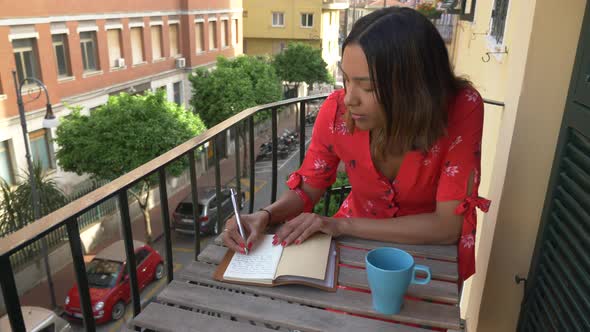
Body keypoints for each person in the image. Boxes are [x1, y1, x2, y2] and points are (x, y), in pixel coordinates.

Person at [223, 7, 490, 286]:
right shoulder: (336, 111)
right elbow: (308, 188)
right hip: (350, 250)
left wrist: (339, 225)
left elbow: (447, 226)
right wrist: (265, 216)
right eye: (346, 79)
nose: (349, 98)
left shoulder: (460, 109)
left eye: (368, 87)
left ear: (415, 86)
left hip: (427, 260)